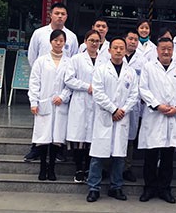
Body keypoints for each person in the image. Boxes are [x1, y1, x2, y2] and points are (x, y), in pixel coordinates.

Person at [87, 37, 139, 203]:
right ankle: (93, 188)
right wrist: (113, 109)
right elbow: (98, 93)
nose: (118, 51)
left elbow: (134, 95)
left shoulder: (130, 72)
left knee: (119, 156)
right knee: (97, 155)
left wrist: (122, 110)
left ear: (125, 51)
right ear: (109, 50)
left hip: (122, 117)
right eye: (115, 48)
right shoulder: (101, 70)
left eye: (121, 48)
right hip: (105, 116)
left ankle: (116, 187)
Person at [25, 3, 79, 162]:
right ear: (50, 15)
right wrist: (44, 73)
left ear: (66, 16)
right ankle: (36, 149)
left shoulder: (72, 37)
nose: (60, 16)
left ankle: (59, 150)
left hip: (63, 86)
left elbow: (74, 61)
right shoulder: (39, 33)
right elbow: (32, 57)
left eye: (63, 13)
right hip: (44, 82)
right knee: (41, 122)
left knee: (60, 123)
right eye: (57, 13)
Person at [138, 37, 176, 204]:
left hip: (172, 117)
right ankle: (149, 188)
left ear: (173, 50)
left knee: (168, 158)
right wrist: (157, 105)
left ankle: (165, 189)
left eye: (169, 48)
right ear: (157, 50)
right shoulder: (148, 67)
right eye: (163, 48)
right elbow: (143, 89)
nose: (166, 52)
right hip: (154, 116)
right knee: (150, 156)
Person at [28, 29, 72, 181]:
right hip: (44, 103)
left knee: (56, 139)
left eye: (61, 41)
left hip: (60, 104)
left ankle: (52, 169)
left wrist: (63, 96)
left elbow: (70, 83)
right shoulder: (41, 61)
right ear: (51, 42)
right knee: (43, 138)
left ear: (65, 43)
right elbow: (34, 82)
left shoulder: (69, 62)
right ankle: (42, 168)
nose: (58, 43)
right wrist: (34, 102)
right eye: (55, 40)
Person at [64, 30, 101, 183]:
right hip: (80, 100)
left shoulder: (104, 60)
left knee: (92, 139)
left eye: (97, 41)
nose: (94, 43)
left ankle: (89, 169)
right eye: (91, 40)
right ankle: (79, 169)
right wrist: (86, 87)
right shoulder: (76, 59)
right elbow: (68, 79)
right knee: (79, 138)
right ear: (85, 41)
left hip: (97, 103)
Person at [123, 29, 145, 183]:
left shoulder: (142, 60)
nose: (133, 42)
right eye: (130, 38)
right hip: (115, 104)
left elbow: (144, 83)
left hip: (133, 103)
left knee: (129, 138)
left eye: (135, 40)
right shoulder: (115, 56)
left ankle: (127, 168)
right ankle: (107, 168)